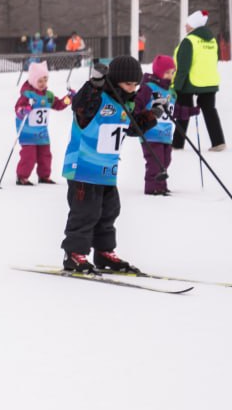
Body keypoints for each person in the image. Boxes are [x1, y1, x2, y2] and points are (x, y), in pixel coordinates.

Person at [60, 57, 159, 273]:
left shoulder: (125, 103)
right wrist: (94, 83)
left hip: (106, 169)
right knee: (86, 211)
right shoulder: (98, 98)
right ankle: (74, 254)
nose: (133, 90)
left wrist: (152, 115)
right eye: (128, 84)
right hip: (83, 166)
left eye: (136, 85)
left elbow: (132, 128)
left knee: (109, 210)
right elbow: (80, 106)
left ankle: (104, 252)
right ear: (116, 81)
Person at [172, 10, 225, 152]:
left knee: (184, 110)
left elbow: (183, 67)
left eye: (188, 23)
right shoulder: (212, 40)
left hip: (190, 82)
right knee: (210, 110)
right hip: (209, 81)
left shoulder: (189, 41)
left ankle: (177, 143)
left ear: (193, 25)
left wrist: (176, 86)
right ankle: (218, 142)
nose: (185, 26)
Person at [13, 61, 71, 186]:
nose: (43, 83)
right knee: (29, 156)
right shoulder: (28, 95)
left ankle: (44, 176)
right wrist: (24, 110)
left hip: (42, 132)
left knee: (45, 155)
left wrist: (69, 98)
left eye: (45, 80)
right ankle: (22, 177)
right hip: (28, 132)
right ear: (33, 81)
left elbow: (59, 104)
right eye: (39, 81)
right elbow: (18, 109)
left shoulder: (48, 96)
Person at [140, 55, 177, 196]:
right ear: (158, 72)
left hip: (166, 134)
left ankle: (161, 185)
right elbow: (137, 105)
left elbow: (176, 110)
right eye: (167, 72)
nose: (170, 76)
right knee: (155, 161)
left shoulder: (170, 92)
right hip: (151, 133)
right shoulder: (148, 88)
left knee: (166, 161)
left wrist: (191, 111)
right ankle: (151, 187)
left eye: (172, 73)